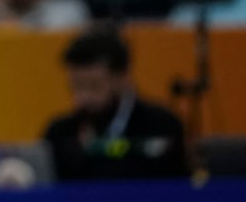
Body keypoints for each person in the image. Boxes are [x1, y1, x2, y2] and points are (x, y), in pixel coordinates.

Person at [40, 27, 189, 181]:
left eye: (94, 86)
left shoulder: (161, 127)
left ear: (122, 78)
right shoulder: (60, 133)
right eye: (76, 87)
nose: (83, 97)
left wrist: (99, 152)